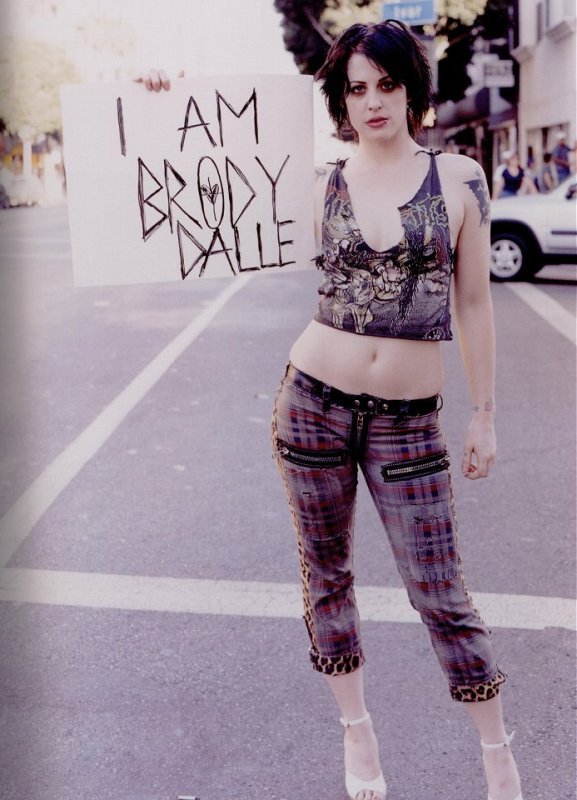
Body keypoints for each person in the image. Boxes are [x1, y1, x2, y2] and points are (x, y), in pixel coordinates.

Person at [139, 20, 523, 800]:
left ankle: (495, 749)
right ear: (340, 101)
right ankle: (356, 729)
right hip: (312, 403)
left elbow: (474, 304)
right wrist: (162, 102)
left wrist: (483, 412)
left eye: (386, 83)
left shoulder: (458, 179)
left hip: (408, 423)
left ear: (411, 89)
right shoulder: (314, 182)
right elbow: (206, 179)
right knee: (326, 575)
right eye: (355, 88)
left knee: (439, 591)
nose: (372, 100)